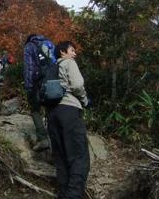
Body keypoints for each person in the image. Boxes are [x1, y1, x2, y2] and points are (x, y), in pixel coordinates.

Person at [48, 41, 90, 199]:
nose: (74, 54)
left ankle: (63, 193)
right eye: (72, 50)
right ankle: (73, 195)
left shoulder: (51, 68)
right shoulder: (69, 63)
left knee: (61, 157)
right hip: (69, 111)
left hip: (52, 114)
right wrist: (85, 100)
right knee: (79, 155)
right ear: (62, 53)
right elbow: (78, 85)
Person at [23, 34, 51, 151]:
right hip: (52, 82)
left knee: (35, 109)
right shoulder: (49, 43)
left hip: (36, 83)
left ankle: (43, 138)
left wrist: (28, 86)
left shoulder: (29, 46)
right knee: (51, 108)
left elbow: (28, 67)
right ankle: (53, 136)